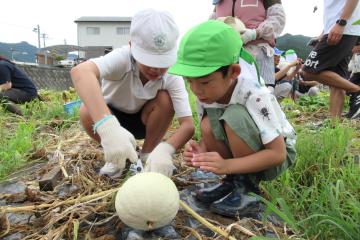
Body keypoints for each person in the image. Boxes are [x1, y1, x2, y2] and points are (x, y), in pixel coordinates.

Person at [168, 20, 296, 218]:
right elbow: (210, 133)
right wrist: (201, 151)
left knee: (234, 115)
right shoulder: (205, 94)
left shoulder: (254, 94)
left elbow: (277, 154)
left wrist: (227, 165)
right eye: (189, 81)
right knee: (208, 123)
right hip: (248, 151)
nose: (196, 90)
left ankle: (247, 187)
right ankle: (232, 183)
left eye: (204, 81)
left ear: (233, 72)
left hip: (276, 155)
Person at [71, 9, 195, 178]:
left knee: (165, 100)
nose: (156, 69)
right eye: (148, 61)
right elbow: (81, 72)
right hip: (113, 119)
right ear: (131, 47)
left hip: (145, 123)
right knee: (87, 110)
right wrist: (108, 127)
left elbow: (187, 125)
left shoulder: (172, 74)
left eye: (162, 62)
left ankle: (148, 155)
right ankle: (116, 153)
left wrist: (165, 150)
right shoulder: (122, 58)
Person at [302, 0, 360, 119]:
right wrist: (323, 33)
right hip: (342, 28)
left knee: (308, 71)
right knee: (337, 80)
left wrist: (341, 22)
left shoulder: (343, 24)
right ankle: (334, 125)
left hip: (345, 28)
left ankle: (357, 90)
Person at [211, 0, 286, 92]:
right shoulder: (218, 2)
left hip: (258, 53)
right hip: (226, 56)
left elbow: (278, 18)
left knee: (261, 95)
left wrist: (256, 33)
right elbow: (212, 21)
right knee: (228, 96)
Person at [346, 38, 360, 118]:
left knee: (356, 93)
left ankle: (355, 112)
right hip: (356, 74)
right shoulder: (356, 54)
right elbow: (352, 67)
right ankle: (352, 110)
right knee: (349, 90)